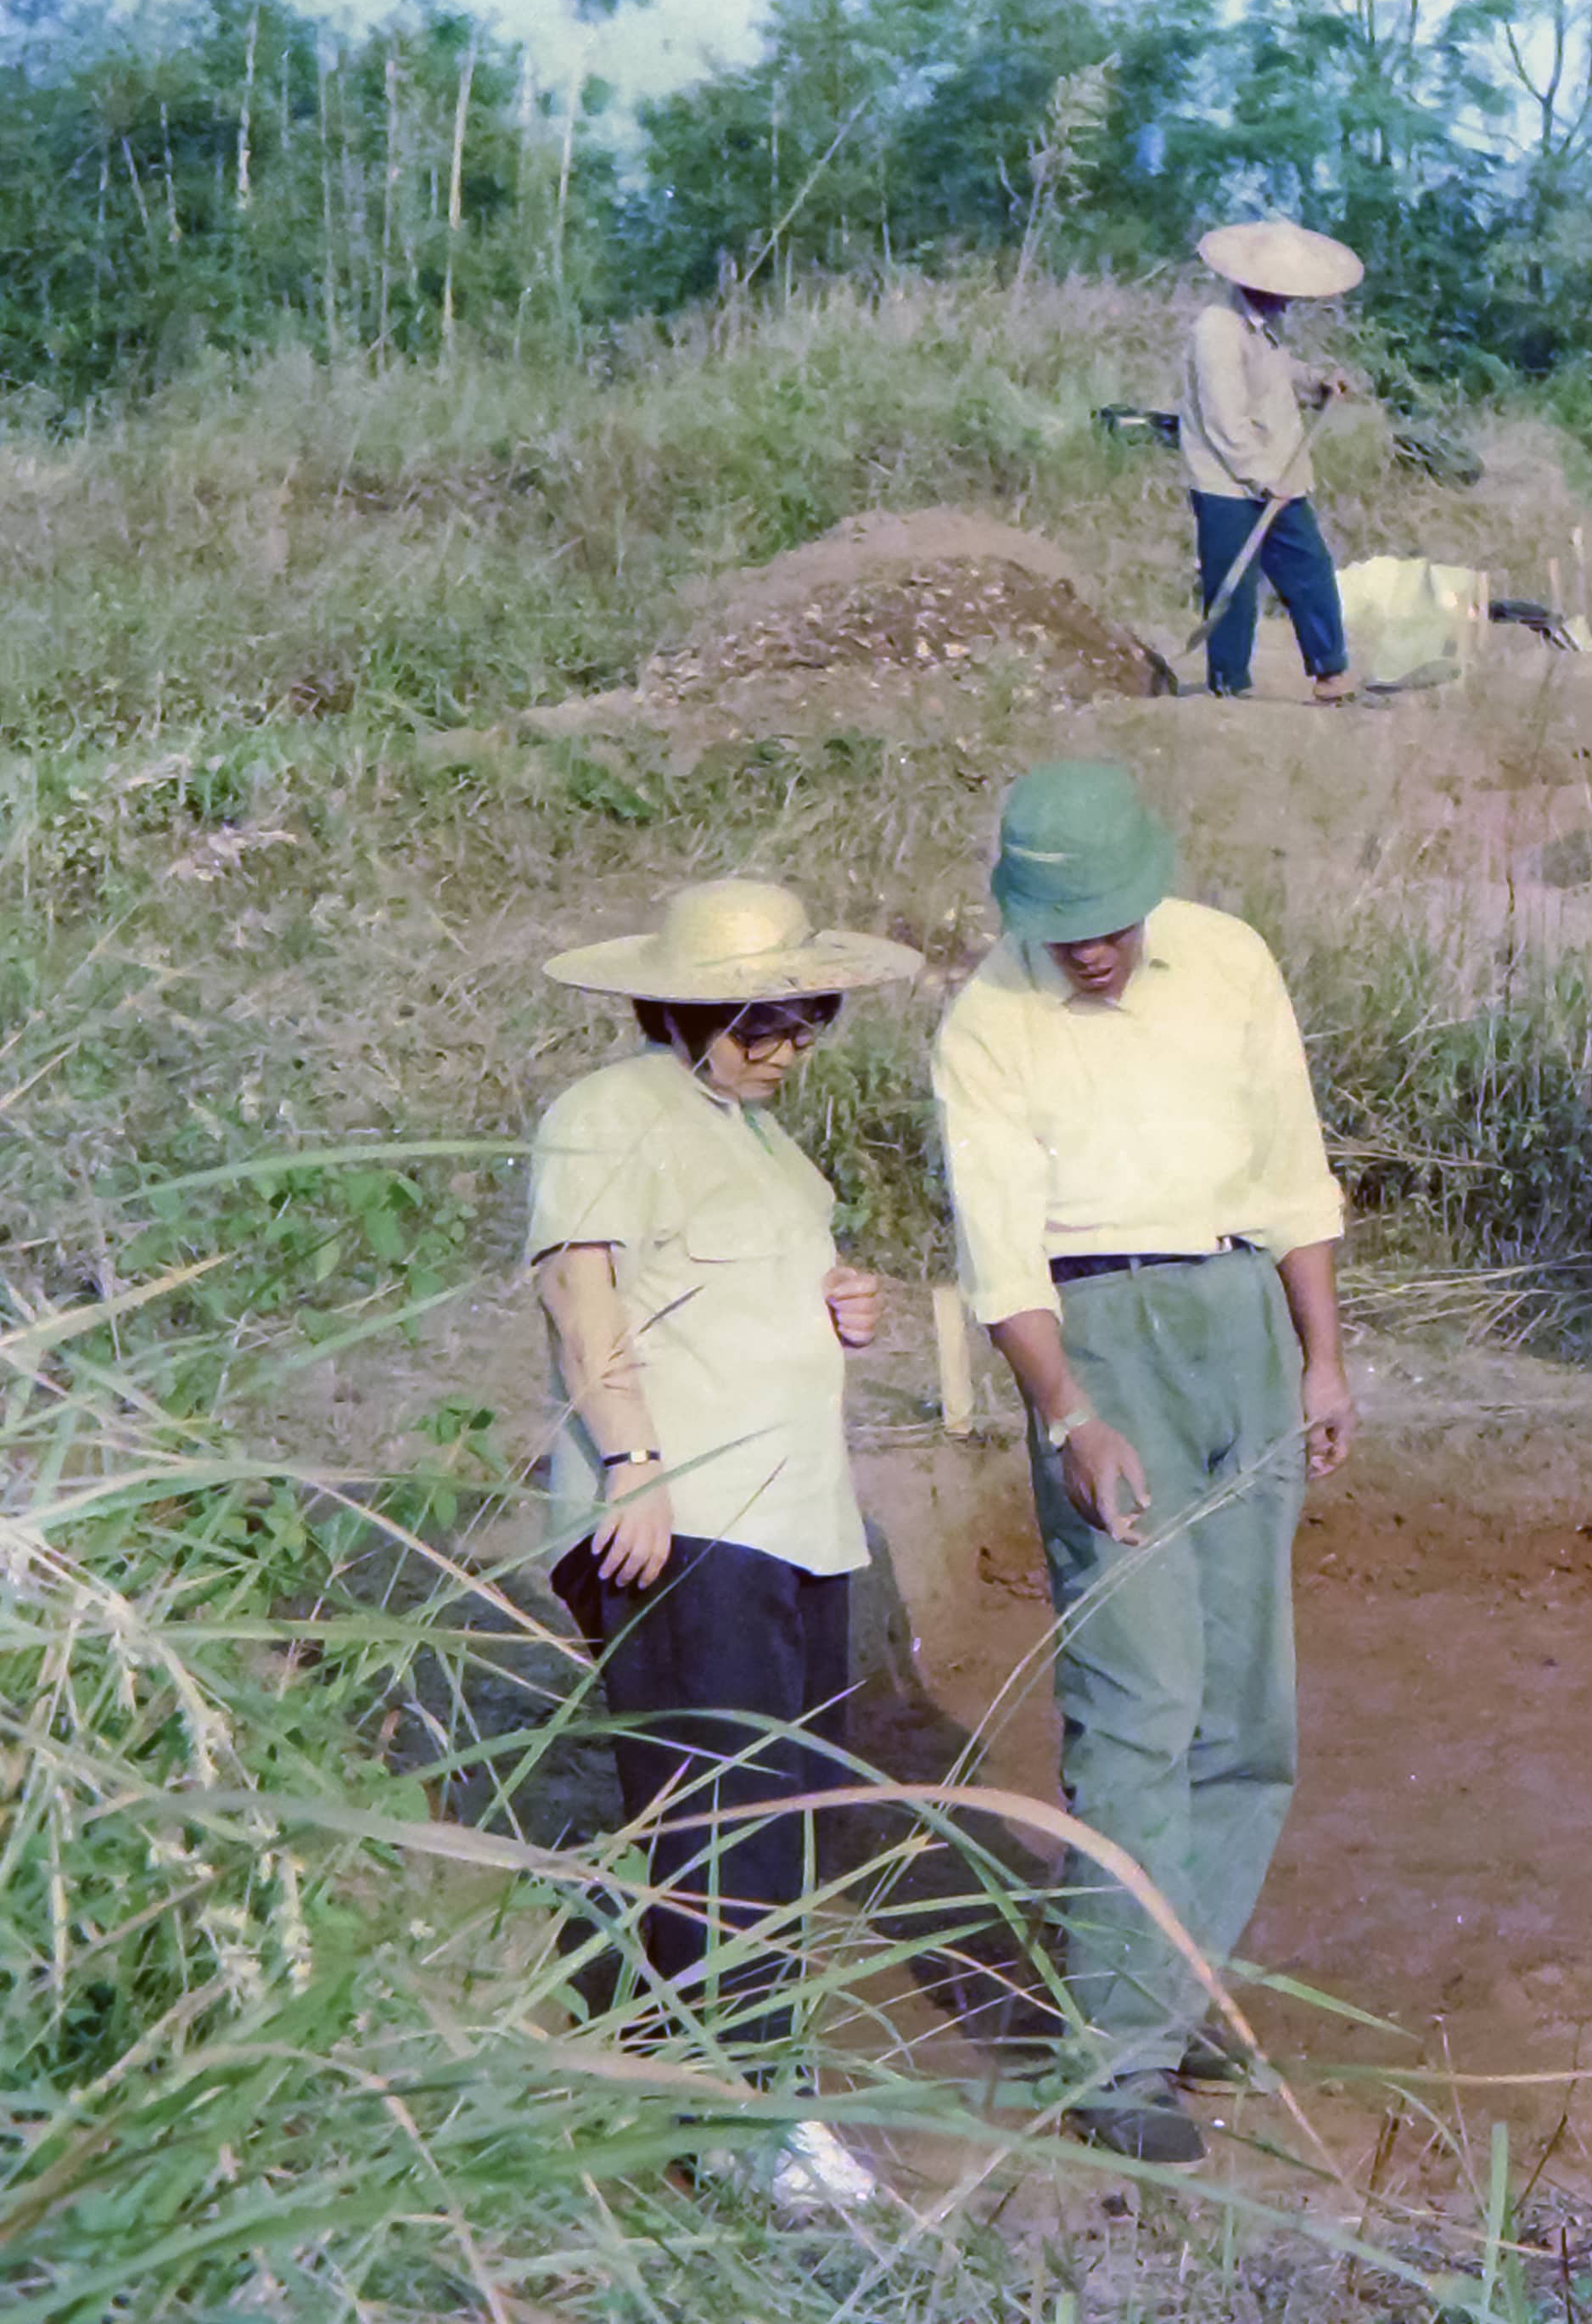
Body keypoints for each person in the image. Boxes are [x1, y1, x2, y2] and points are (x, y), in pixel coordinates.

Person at [933, 759, 1360, 2166]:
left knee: (1248, 1706)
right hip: (1097, 1336)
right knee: (1137, 1697)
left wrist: (1320, 1356)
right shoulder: (984, 1026)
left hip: (1238, 1317)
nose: (1098, 948)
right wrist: (1069, 1413)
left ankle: (1170, 1998)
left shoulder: (1228, 957)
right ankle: (1110, 2053)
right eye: (1073, 929)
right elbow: (1001, 1258)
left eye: (1115, 918)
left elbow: (1293, 1172)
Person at [528, 879, 922, 2217]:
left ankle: (702, 2083)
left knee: (785, 1809)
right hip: (689, 1518)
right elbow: (583, 1296)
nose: (786, 1047)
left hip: (791, 1519)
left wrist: (837, 1300)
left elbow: (738, 1284)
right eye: (760, 1024)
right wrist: (632, 1463)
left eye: (806, 1020)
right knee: (725, 1817)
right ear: (687, 1010)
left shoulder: (763, 1144)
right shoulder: (606, 1118)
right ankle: (749, 2119)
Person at [1180, 220, 1364, 705]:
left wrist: (1320, 383)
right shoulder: (1217, 330)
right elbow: (1226, 418)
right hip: (1228, 481)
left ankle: (1332, 675)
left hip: (1282, 477)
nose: (1288, 299)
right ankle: (1229, 688)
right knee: (1233, 586)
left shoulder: (1265, 327)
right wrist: (1263, 479)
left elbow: (1280, 377)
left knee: (1310, 570)